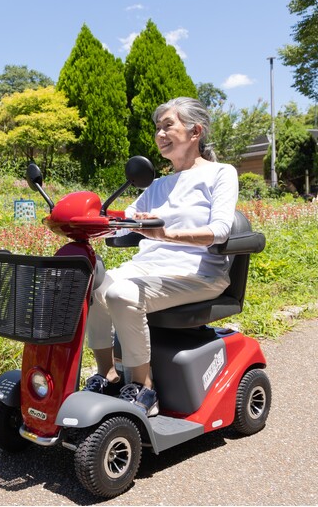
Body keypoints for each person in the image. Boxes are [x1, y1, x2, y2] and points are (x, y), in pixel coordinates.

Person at [83, 97, 239, 417]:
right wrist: (89, 225)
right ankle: (108, 374)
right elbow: (123, 222)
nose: (160, 134)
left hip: (198, 272)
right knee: (93, 284)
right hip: (151, 267)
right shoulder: (157, 184)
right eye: (158, 128)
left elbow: (222, 230)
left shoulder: (221, 173)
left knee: (120, 292)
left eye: (168, 125)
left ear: (195, 131)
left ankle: (143, 389)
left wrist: (166, 234)